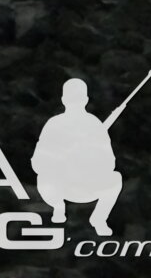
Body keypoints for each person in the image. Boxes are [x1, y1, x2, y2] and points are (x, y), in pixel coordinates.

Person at [32, 77, 126, 236]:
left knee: (115, 178)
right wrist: (62, 159)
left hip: (86, 185)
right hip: (60, 186)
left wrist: (89, 157)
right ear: (86, 100)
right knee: (43, 178)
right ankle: (58, 207)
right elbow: (38, 162)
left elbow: (109, 163)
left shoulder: (94, 125)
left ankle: (98, 218)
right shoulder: (55, 124)